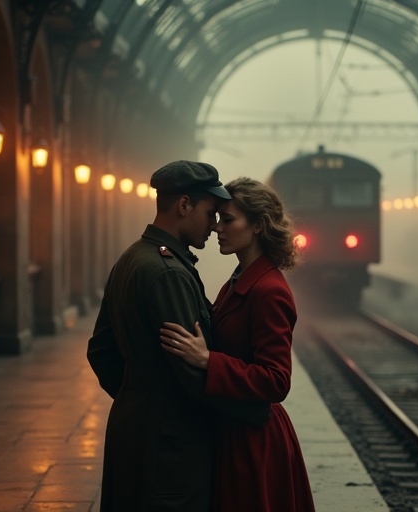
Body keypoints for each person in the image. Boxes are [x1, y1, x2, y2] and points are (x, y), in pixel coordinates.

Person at [87, 161, 270, 512]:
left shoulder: (132, 258)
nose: (214, 225)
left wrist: (137, 399)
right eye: (210, 213)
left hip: (135, 429)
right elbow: (190, 374)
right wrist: (253, 411)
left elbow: (100, 351)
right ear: (184, 205)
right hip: (172, 442)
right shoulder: (168, 272)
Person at [160, 176, 316, 512]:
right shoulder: (240, 280)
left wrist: (208, 360)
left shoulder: (268, 290)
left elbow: (276, 380)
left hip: (255, 443)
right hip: (237, 431)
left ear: (258, 225)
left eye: (228, 220)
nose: (217, 228)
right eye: (217, 219)